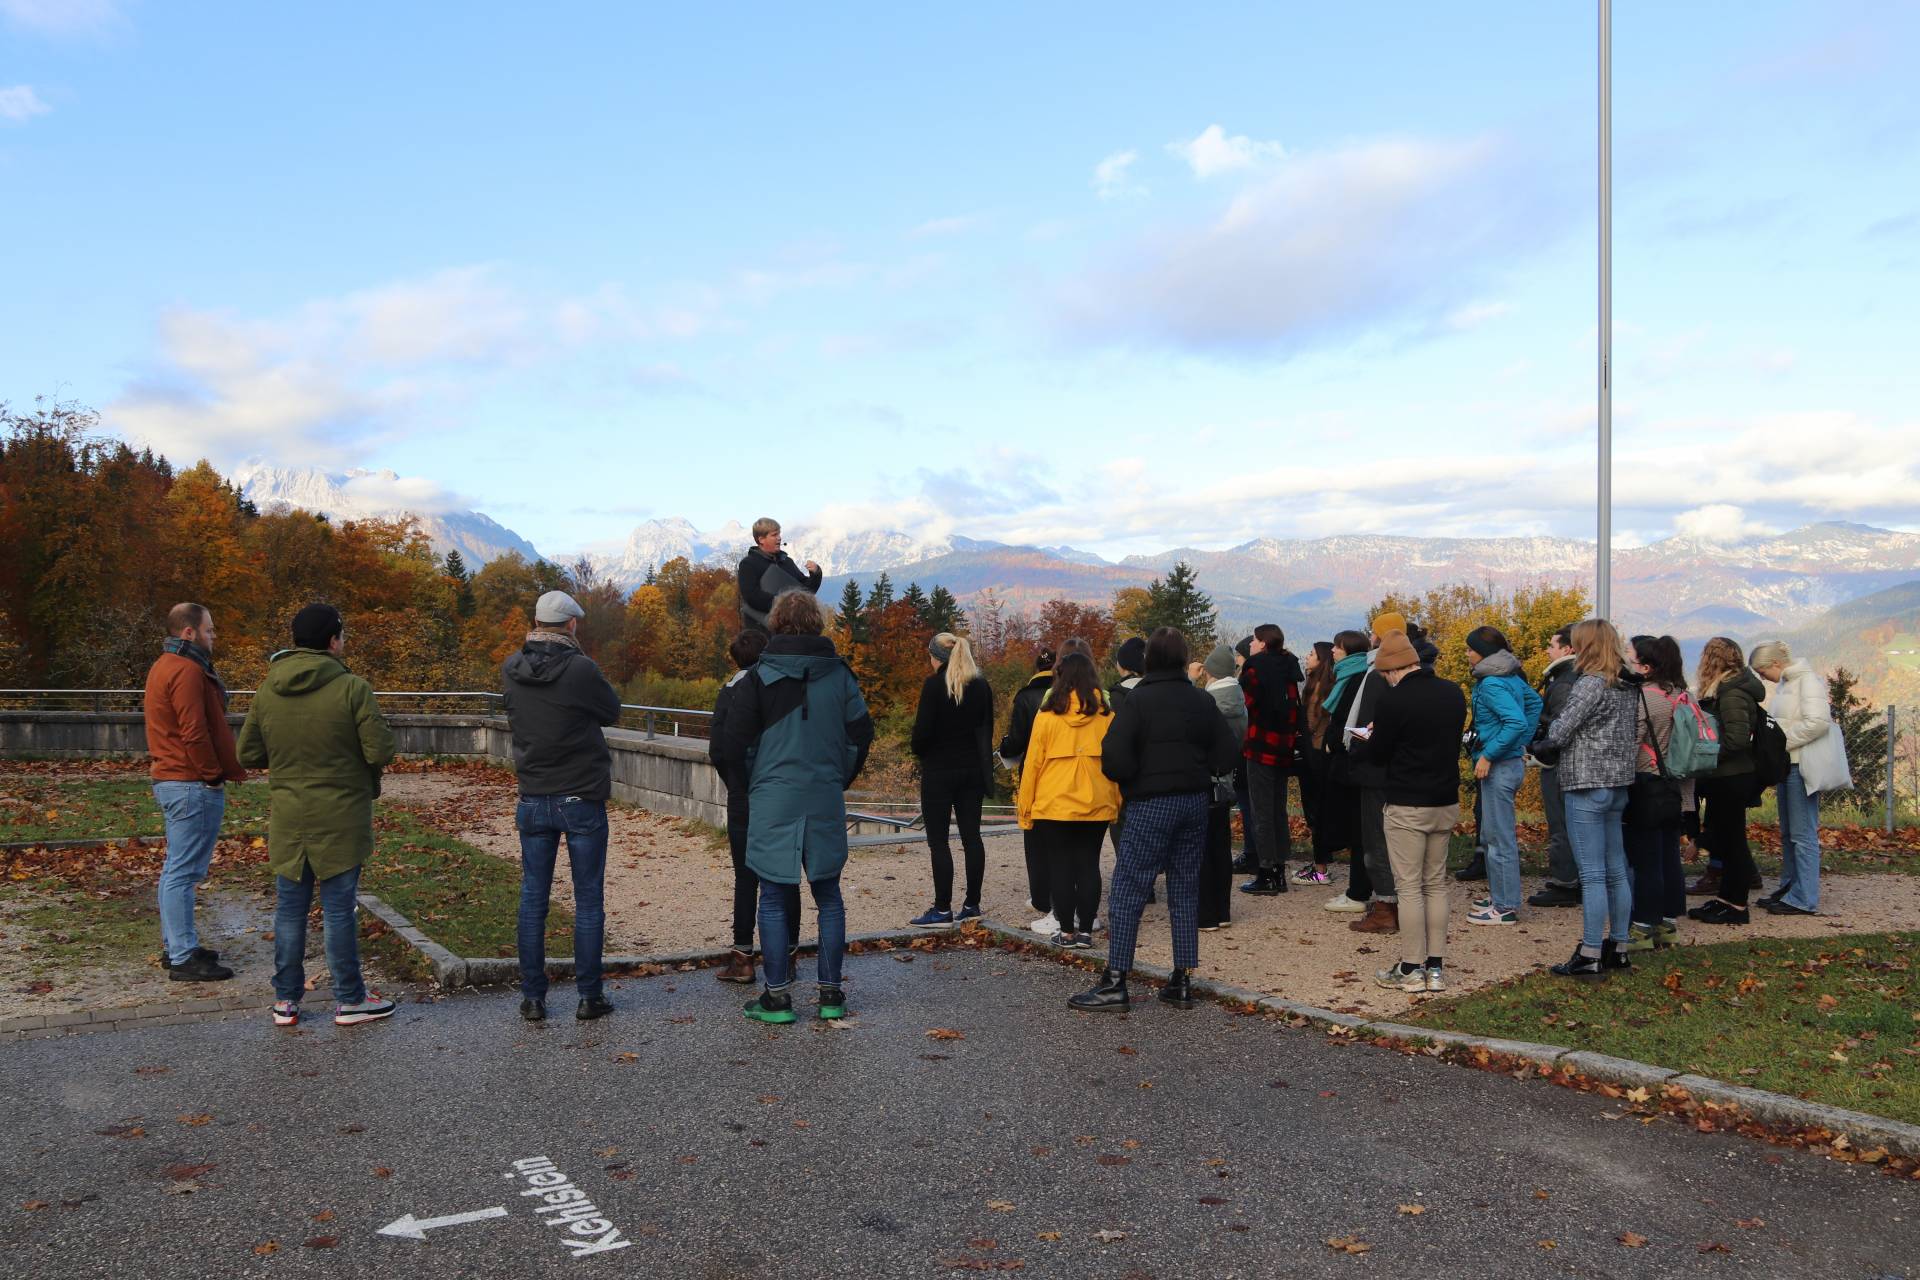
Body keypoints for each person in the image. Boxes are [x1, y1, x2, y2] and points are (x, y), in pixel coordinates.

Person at [713, 591, 874, 1024]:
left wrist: (754, 786)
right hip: (823, 794)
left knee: (772, 896)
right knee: (829, 896)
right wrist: (837, 777)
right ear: (817, 623)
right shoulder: (840, 674)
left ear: (776, 624)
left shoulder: (759, 676)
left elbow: (733, 744)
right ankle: (831, 994)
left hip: (772, 798)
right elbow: (861, 734)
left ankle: (777, 998)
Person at [236, 604, 397, 1027]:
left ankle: (286, 1001)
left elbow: (247, 752)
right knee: (339, 910)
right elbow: (379, 750)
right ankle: (350, 999)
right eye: (342, 635)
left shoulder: (268, 689)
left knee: (290, 910)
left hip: (290, 817)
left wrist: (287, 759)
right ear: (332, 641)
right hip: (341, 817)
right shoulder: (353, 688)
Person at [1069, 628, 1239, 1013]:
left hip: (1150, 803)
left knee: (1128, 890)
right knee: (1184, 889)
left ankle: (1116, 980)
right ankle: (1182, 979)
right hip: (1194, 803)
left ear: (1149, 660)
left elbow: (1113, 756)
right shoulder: (1201, 700)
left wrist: (1134, 779)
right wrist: (1200, 768)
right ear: (1183, 659)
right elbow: (1228, 753)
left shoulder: (1138, 700)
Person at [500, 590, 623, 1022]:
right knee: (588, 899)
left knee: (533, 898)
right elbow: (611, 711)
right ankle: (589, 996)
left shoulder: (511, 668)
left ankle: (533, 998)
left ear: (536, 623)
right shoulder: (581, 669)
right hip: (580, 795)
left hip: (533, 795)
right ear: (571, 625)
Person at [1347, 631, 1466, 994]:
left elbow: (1378, 755)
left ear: (1391, 670)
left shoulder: (1393, 701)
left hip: (1407, 802)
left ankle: (1411, 967)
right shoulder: (1453, 693)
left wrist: (1371, 735)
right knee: (1436, 884)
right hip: (1444, 800)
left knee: (1409, 887)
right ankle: (1436, 968)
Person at [143, 603, 247, 984]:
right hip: (189, 782)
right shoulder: (186, 670)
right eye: (209, 629)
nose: (213, 636)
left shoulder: (163, 665)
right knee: (183, 872)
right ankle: (183, 956)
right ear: (189, 632)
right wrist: (212, 775)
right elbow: (194, 731)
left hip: (173, 779)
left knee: (176, 869)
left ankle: (177, 945)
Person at [1539, 619, 1640, 978]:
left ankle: (1590, 951)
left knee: (1593, 874)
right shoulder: (1627, 685)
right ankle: (1620, 946)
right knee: (1616, 870)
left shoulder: (1591, 683)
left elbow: (1561, 729)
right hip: (1617, 783)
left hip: (1585, 782)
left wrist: (1547, 736)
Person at [1015, 652, 1120, 949]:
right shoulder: (1107, 716)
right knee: (1089, 864)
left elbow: (1032, 765)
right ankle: (1085, 930)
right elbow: (1116, 762)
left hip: (1054, 801)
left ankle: (1066, 931)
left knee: (1060, 866)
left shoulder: (1046, 717)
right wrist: (1117, 800)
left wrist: (1025, 809)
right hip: (1095, 800)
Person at [908, 632, 994, 927]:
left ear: (936, 658)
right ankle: (972, 903)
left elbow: (921, 734)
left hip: (939, 771)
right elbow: (986, 729)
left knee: (939, 842)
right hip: (972, 770)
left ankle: (942, 908)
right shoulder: (981, 686)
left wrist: (920, 749)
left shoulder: (934, 686)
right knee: (972, 837)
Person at [1463, 627, 1542, 927]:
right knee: (1491, 834)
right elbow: (1534, 704)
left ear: (1483, 652)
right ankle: (1500, 895)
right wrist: (1520, 743)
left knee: (1499, 838)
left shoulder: (1492, 683)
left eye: (1471, 649)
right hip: (1508, 761)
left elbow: (1515, 720)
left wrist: (1490, 753)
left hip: (1498, 765)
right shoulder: (1509, 675)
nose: (1467, 654)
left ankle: (1506, 906)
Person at [1752, 641, 1834, 916]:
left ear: (1776, 663)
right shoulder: (1788, 684)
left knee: (1802, 834)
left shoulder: (1808, 682)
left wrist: (1780, 744)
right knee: (1788, 834)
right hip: (1788, 765)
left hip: (1802, 765)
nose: (1763, 678)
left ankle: (1804, 897)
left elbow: (1818, 723)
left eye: (1763, 671)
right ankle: (1790, 887)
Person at [1689, 637, 1766, 926]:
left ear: (1711, 660)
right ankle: (1725, 899)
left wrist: (1705, 756)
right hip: (1725, 776)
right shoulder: (1727, 688)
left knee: (1734, 843)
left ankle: (1736, 905)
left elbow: (1736, 739)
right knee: (1726, 840)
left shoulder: (1731, 693)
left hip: (1732, 777)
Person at [709, 628, 769, 984]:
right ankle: (788, 956)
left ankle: (743, 958)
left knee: (745, 877)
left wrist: (735, 782)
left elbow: (717, 749)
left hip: (742, 794)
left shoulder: (729, 691)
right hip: (776, 790)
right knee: (782, 876)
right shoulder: (776, 687)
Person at [1339, 612, 1406, 933]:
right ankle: (1401, 902)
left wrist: (1356, 752)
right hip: (1403, 769)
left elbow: (1367, 725)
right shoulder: (1413, 671)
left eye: (1374, 632)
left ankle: (1385, 908)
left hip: (1376, 768)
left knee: (1376, 837)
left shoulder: (1378, 673)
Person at [1621, 634, 1686, 952]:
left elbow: (1631, 742)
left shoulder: (1645, 698)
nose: (1626, 661)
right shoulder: (1681, 694)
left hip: (1646, 782)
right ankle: (1667, 925)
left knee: (1646, 860)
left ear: (1645, 667)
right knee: (1669, 857)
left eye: (1630, 656)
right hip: (1675, 784)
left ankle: (1642, 928)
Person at [1237, 623, 1302, 896]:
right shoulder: (1289, 666)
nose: (1251, 644)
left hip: (1260, 745)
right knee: (1277, 809)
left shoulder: (1254, 670)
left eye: (1254, 640)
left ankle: (1266, 873)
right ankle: (1279, 870)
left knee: (1261, 810)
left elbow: (1247, 705)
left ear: (1263, 643)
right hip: (1284, 746)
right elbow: (1293, 706)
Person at [999, 647, 1059, 933]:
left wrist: (1004, 748)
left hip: (1035, 770)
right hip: (1066, 771)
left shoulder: (1025, 697)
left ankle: (1042, 897)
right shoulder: (1073, 694)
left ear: (1036, 669)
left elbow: (1017, 740)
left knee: (1035, 836)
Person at [1526, 627, 1584, 908]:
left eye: (1552, 645)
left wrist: (1538, 749)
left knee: (1560, 822)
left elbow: (1559, 728)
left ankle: (1566, 882)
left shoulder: (1564, 683)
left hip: (1559, 764)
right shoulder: (1571, 678)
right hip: (1569, 763)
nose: (1547, 650)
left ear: (1568, 649)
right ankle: (1572, 878)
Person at [1318, 630, 1373, 913]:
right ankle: (1361, 888)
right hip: (1348, 760)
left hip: (1352, 763)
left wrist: (1336, 741)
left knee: (1358, 830)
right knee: (1358, 829)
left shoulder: (1356, 679)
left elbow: (1354, 724)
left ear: (1349, 650)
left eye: (1337, 647)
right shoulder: (1350, 676)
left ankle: (1358, 891)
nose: (1333, 651)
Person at [1198, 643, 1247, 928]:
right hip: (1226, 780)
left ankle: (1206, 914)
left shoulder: (1208, 703)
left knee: (1202, 849)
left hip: (1205, 780)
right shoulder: (1239, 702)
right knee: (1221, 847)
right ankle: (1222, 911)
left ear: (1211, 671)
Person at [1294, 640, 1336, 883]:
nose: (1307, 657)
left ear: (1321, 660)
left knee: (1315, 809)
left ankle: (1320, 869)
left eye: (1311, 654)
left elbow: (1310, 722)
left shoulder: (1318, 688)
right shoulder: (1324, 683)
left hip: (1314, 754)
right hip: (1320, 753)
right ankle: (1321, 862)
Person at [735, 517, 822, 634]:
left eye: (779, 534)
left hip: (789, 631)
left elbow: (805, 592)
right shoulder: (748, 564)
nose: (779, 538)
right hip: (761, 631)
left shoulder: (787, 562)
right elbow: (751, 595)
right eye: (774, 535)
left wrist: (816, 574)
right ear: (761, 539)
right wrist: (783, 604)